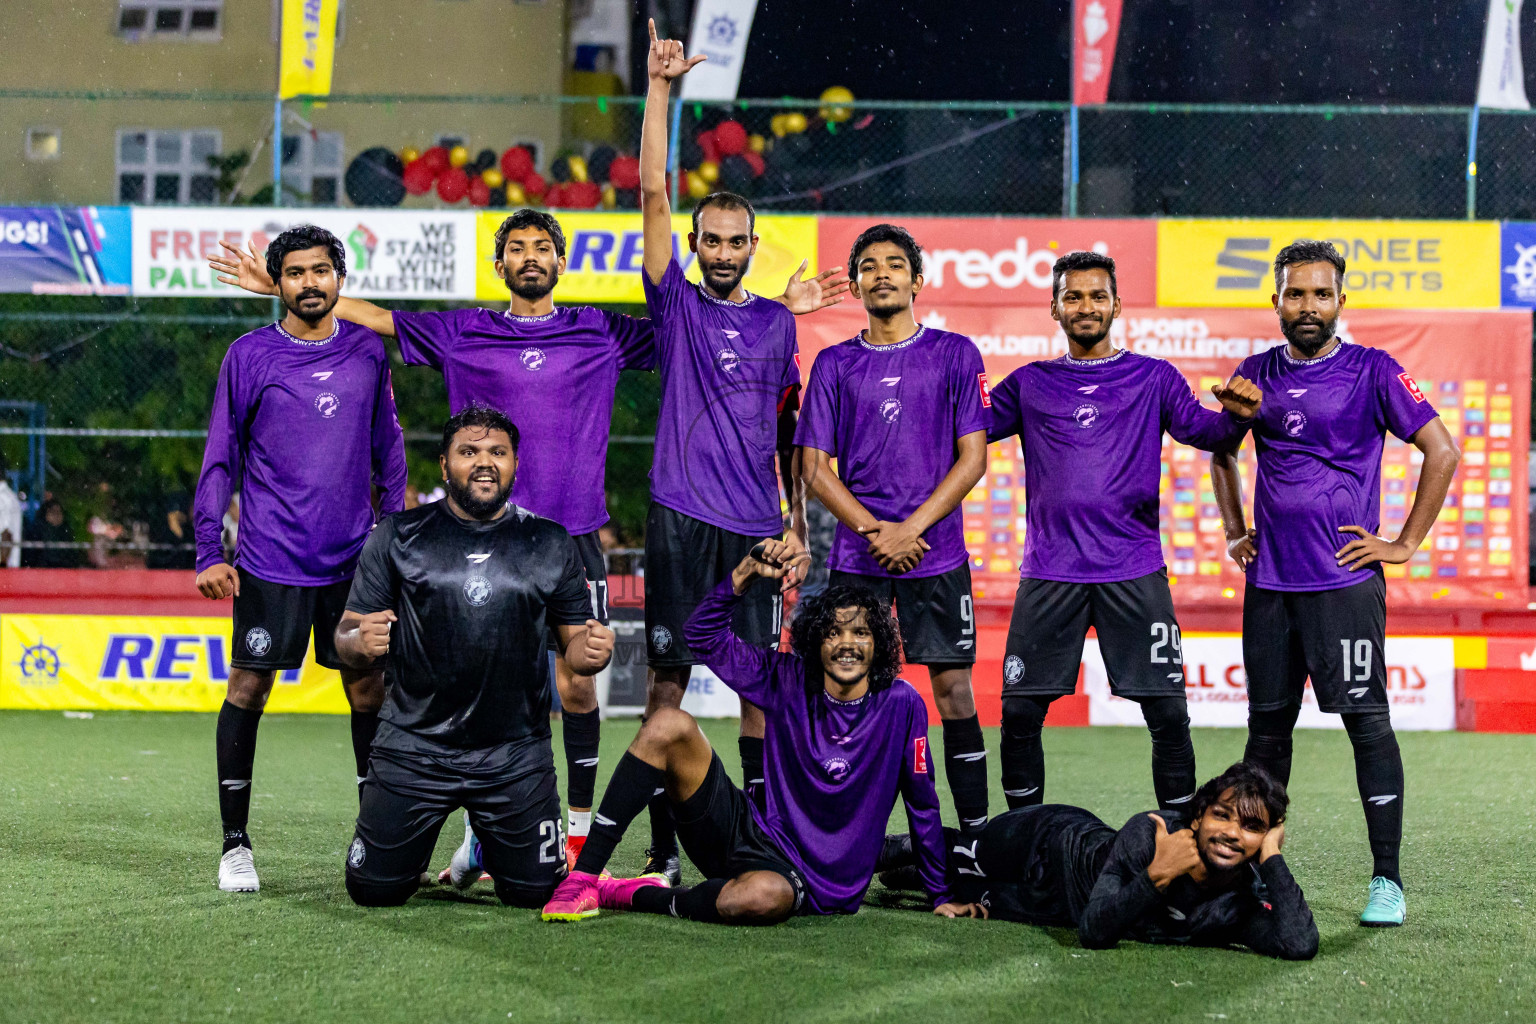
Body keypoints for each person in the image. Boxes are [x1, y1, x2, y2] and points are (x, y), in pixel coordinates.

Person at [211, 208, 841, 876]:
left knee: (578, 686)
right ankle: (479, 832)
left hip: (570, 541)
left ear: (561, 263)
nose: (531, 256)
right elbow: (386, 321)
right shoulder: (464, 329)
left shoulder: (600, 329)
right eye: (518, 248)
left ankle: (572, 832)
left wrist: (779, 308)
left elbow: (701, 330)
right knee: (480, 687)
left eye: (543, 247)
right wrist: (297, 293)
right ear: (500, 263)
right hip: (484, 540)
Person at [634, 19, 847, 883]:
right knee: (667, 688)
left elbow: (785, 435)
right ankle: (655, 856)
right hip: (682, 518)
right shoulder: (675, 306)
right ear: (693, 247)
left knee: (761, 693)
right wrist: (660, 90)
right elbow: (652, 191)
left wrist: (795, 525)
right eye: (709, 240)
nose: (722, 252)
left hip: (758, 528)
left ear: (754, 247)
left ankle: (762, 841)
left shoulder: (775, 321)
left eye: (735, 241)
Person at [1211, 240, 1460, 927]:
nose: (1309, 306)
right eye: (1296, 294)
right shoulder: (1254, 374)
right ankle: (1256, 874)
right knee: (1266, 733)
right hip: (1270, 587)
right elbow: (1222, 455)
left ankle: (1387, 881)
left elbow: (1443, 450)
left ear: (1342, 302)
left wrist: (1404, 543)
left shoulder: (1373, 371)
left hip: (1343, 586)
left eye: (1322, 294)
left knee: (1367, 723)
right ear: (1276, 302)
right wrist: (1235, 531)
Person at [541, 539, 981, 925]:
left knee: (760, 897)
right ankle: (582, 880)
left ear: (879, 642)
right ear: (815, 641)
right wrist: (744, 574)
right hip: (751, 836)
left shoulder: (901, 704)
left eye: (861, 632)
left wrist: (941, 895)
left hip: (813, 886)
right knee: (667, 723)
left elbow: (923, 803)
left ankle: (634, 894)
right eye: (833, 632)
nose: (847, 643)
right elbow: (701, 635)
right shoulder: (786, 677)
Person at [987, 251, 1263, 813]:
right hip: (1049, 572)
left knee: (1166, 714)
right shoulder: (1029, 384)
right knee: (1019, 715)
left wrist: (1237, 417)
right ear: (1054, 309)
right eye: (1072, 297)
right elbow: (964, 435)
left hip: (1133, 571)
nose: (1084, 306)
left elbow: (1204, 432)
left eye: (1095, 296)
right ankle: (1023, 838)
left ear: (1116, 304)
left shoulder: (1153, 376)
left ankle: (1184, 838)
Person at [193, 224, 407, 894]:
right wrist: (208, 548)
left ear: (339, 280)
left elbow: (390, 453)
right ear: (278, 283)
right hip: (269, 560)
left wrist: (392, 541)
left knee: (367, 688)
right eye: (295, 273)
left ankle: (374, 838)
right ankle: (235, 846)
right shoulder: (249, 356)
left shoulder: (368, 353)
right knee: (248, 689)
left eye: (321, 271)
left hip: (352, 565)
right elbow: (220, 457)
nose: (309, 283)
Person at [338, 405, 619, 908]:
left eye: (497, 452)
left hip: (514, 755)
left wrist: (590, 652)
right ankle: (455, 841)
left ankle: (479, 843)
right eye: (469, 452)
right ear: (445, 466)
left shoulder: (550, 542)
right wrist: (357, 643)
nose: (484, 463)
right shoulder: (398, 536)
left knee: (536, 894)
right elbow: (344, 635)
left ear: (514, 464)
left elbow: (574, 646)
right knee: (372, 890)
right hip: (414, 746)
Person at [796, 223, 991, 835]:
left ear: (917, 280)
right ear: (854, 284)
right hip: (859, 560)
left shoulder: (956, 353)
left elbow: (974, 458)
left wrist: (911, 529)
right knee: (846, 691)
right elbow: (812, 469)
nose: (882, 273)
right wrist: (877, 531)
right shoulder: (834, 363)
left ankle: (975, 839)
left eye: (895, 264)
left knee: (955, 692)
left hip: (936, 555)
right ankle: (840, 829)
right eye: (870, 266)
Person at [879, 762, 1317, 959]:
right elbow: (1095, 932)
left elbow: (1298, 944)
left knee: (950, 890)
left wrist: (1273, 857)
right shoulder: (1150, 833)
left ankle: (913, 875)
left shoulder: (1239, 900)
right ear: (1198, 816)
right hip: (1048, 842)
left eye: (1251, 828)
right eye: (1221, 816)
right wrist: (1159, 872)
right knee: (950, 851)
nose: (1230, 834)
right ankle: (880, 853)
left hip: (1047, 907)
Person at [22, 498, 81, 568]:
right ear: (45, 514)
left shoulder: (66, 532)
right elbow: (31, 557)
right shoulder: (36, 532)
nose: (57, 515)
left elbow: (72, 557)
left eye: (59, 512)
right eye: (53, 512)